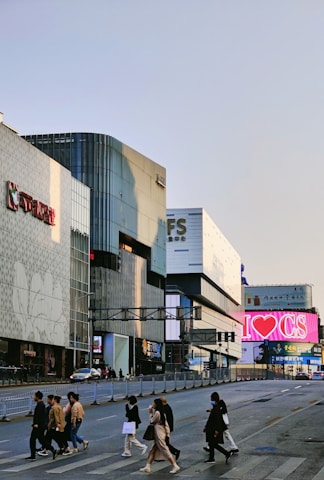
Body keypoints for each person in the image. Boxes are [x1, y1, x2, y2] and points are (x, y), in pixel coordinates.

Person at [139, 398, 180, 474]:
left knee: (165, 449)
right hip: (160, 433)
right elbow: (166, 425)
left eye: (153, 403)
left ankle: (175, 465)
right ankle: (148, 466)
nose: (152, 404)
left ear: (156, 404)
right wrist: (167, 434)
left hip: (159, 434)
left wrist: (150, 413)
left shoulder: (157, 413)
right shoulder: (161, 412)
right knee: (153, 450)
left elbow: (152, 421)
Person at [203, 392, 232, 464]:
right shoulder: (215, 407)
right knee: (212, 444)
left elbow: (217, 420)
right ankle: (213, 458)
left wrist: (216, 431)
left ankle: (225, 454)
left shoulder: (216, 409)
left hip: (213, 429)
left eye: (211, 399)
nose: (211, 401)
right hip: (211, 429)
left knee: (213, 444)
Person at [25, 390, 47, 460]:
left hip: (38, 426)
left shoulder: (40, 405)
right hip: (39, 425)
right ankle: (52, 450)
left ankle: (33, 455)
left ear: (37, 397)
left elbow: (39, 416)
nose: (34, 397)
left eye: (34, 396)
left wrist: (36, 424)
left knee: (32, 439)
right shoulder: (40, 404)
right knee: (41, 440)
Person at [44, 395, 66, 459]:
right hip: (56, 425)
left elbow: (55, 417)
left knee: (47, 438)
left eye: (53, 399)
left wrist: (56, 424)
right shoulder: (59, 406)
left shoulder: (54, 407)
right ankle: (61, 448)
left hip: (53, 425)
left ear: (55, 400)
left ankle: (50, 450)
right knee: (55, 437)